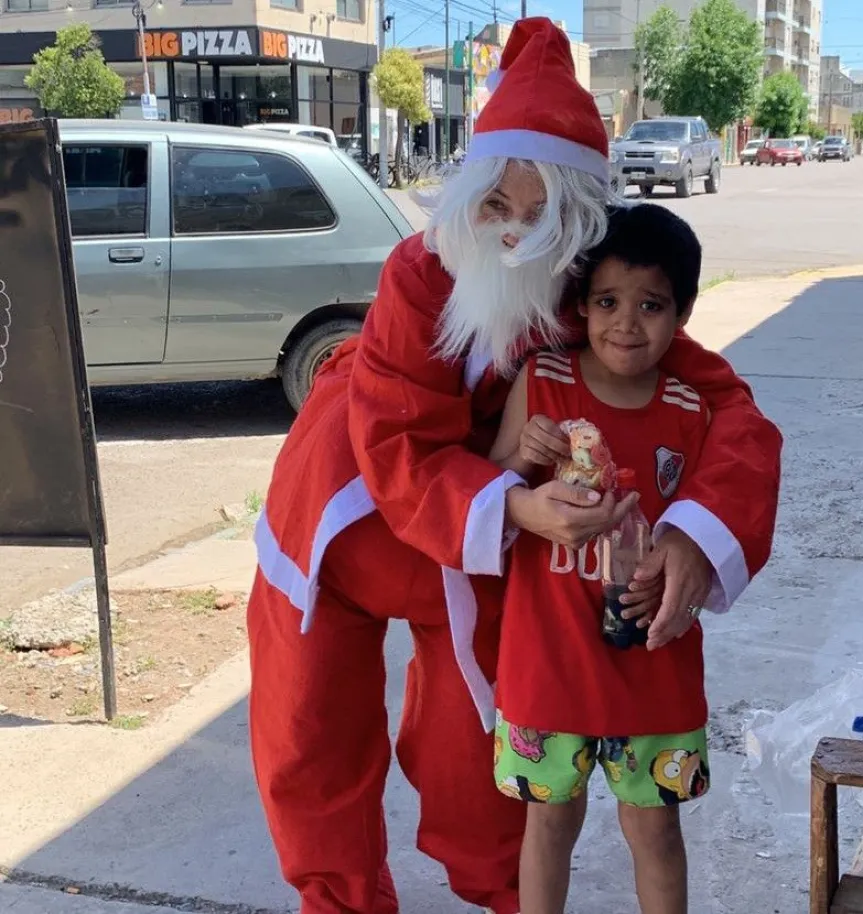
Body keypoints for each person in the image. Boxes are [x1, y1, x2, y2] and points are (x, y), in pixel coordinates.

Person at [247, 17, 783, 914]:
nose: (513, 233)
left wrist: (697, 532)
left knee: (481, 756)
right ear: (467, 199)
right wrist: (517, 506)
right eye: (496, 204)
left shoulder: (596, 298)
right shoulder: (419, 276)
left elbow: (733, 412)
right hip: (338, 526)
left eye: (543, 216)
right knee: (310, 744)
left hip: (479, 545)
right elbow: (394, 438)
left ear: (579, 222)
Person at [490, 203, 716, 914]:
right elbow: (490, 478)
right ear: (580, 305)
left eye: (651, 305)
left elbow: (710, 523)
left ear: (680, 315)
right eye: (609, 302)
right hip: (547, 659)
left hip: (652, 664)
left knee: (656, 829)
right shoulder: (544, 380)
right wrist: (523, 456)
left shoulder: (690, 407)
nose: (627, 323)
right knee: (548, 822)